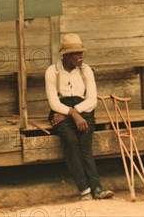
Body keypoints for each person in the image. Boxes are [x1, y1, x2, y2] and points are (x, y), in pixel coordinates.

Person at [45, 33, 114, 201]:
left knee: (85, 144)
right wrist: (72, 114)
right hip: (61, 111)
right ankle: (84, 191)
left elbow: (91, 100)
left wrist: (74, 112)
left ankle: (97, 189)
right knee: (71, 141)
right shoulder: (52, 71)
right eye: (77, 53)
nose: (81, 56)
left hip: (83, 111)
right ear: (66, 55)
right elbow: (54, 103)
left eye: (82, 53)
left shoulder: (86, 70)